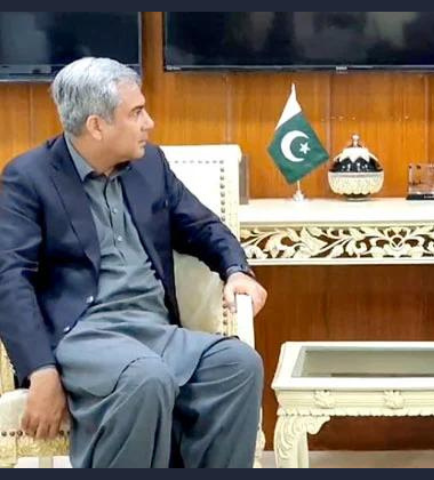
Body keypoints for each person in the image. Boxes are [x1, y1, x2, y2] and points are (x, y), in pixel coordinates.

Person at [0, 57, 268, 468]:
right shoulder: (29, 177)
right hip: (83, 336)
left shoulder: (150, 165)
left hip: (154, 328)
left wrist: (236, 270)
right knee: (145, 376)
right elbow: (9, 277)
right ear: (97, 125)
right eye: (137, 113)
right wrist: (40, 370)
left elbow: (202, 226)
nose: (149, 123)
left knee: (238, 365)